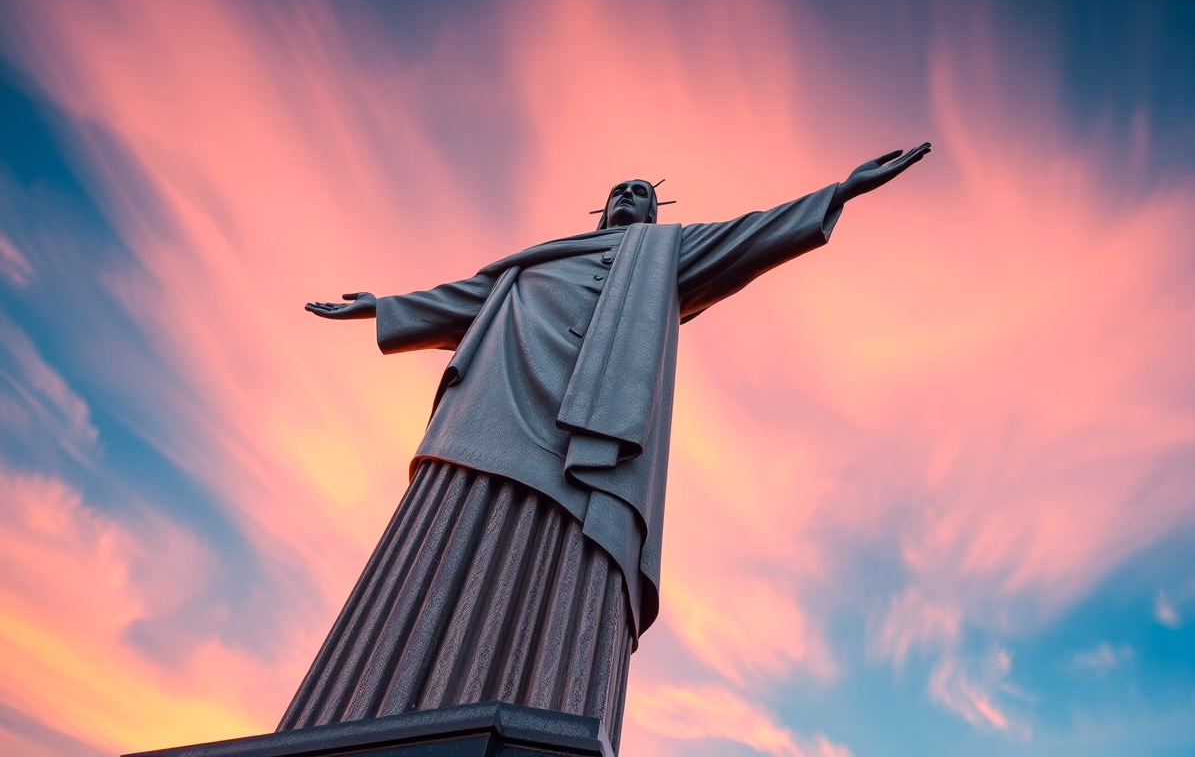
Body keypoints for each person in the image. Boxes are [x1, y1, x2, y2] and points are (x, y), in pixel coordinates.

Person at [285, 143, 931, 752]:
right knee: (441, 549)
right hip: (493, 404)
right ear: (600, 208)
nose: (627, 195)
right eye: (619, 189)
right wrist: (383, 308)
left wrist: (840, 191)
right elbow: (463, 300)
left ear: (654, 213)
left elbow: (749, 236)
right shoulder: (537, 259)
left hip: (596, 441)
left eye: (642, 192)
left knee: (567, 580)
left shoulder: (666, 256)